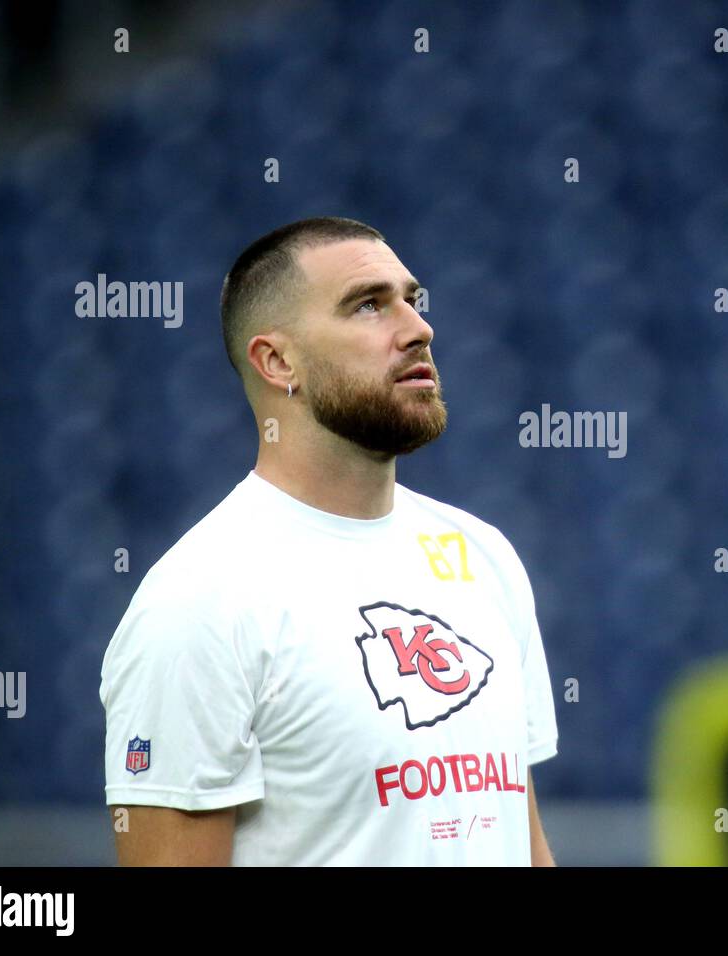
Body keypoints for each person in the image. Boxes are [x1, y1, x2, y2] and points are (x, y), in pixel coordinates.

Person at [99, 217, 559, 865]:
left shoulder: (483, 556)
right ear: (278, 361)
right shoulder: (198, 602)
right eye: (369, 305)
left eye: (413, 300)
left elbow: (524, 842)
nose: (419, 329)